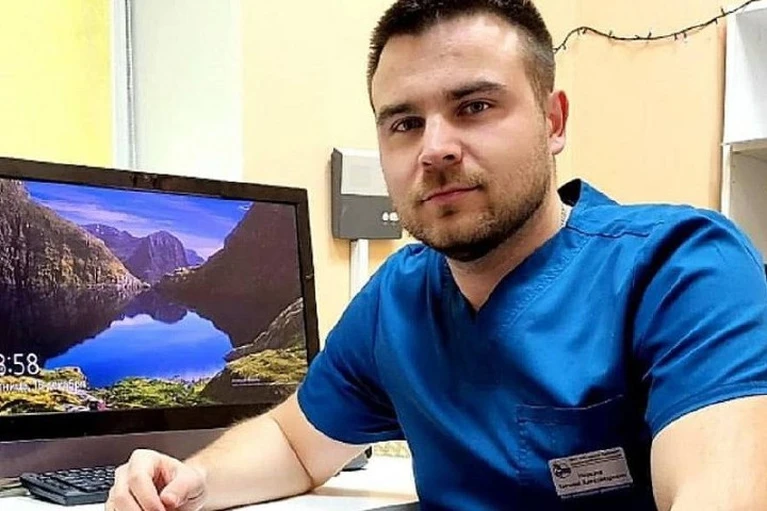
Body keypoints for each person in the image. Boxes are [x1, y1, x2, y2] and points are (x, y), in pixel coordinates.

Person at [107, 1, 767, 510]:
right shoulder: (397, 300)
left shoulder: (684, 269)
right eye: (404, 123)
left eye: (474, 106)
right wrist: (190, 479)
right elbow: (295, 443)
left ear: (553, 121)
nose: (435, 148)